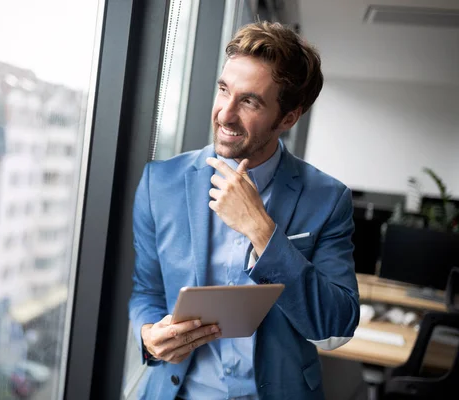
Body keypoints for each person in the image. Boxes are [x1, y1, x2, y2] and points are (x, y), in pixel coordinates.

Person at [129, 21, 359, 400]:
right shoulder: (160, 182)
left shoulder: (329, 199)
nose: (224, 114)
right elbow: (146, 291)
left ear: (288, 118)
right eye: (223, 90)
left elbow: (337, 326)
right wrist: (149, 334)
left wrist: (263, 232)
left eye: (249, 101)